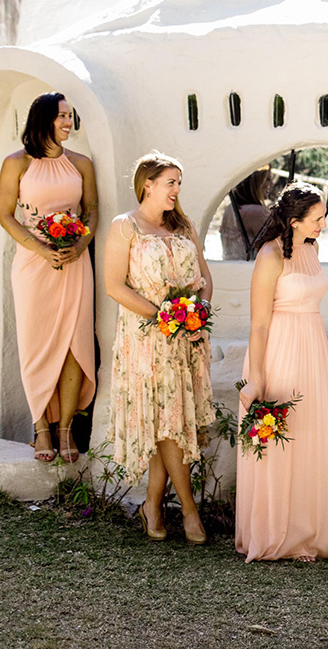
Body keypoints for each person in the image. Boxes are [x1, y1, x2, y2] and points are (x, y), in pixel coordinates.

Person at [236, 183, 328, 562]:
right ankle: (278, 534)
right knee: (283, 440)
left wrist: (327, 363)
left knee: (313, 437)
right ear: (294, 221)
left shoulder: (311, 249)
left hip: (312, 349)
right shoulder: (270, 255)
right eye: (316, 218)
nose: (323, 224)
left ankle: (311, 532)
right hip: (280, 350)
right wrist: (256, 378)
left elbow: (313, 309)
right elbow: (258, 325)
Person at [104, 153, 213, 544]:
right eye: (171, 182)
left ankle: (152, 506)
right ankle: (188, 510)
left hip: (186, 341)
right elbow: (114, 286)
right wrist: (165, 317)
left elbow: (204, 279)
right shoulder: (125, 226)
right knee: (166, 424)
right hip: (145, 340)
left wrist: (197, 315)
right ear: (147, 184)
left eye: (179, 183)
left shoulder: (184, 226)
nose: (177, 190)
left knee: (171, 423)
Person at [0, 92, 98, 463]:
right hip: (33, 264)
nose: (69, 122)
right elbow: (5, 215)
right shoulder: (16, 163)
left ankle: (66, 428)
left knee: (75, 343)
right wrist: (40, 248)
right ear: (43, 119)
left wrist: (81, 244)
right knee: (35, 343)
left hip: (75, 263)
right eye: (62, 116)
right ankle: (40, 427)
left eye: (70, 116)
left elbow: (91, 210)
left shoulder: (82, 163)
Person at [219, 168, 271, 261]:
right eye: (267, 179)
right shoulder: (257, 212)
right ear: (256, 182)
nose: (271, 184)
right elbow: (274, 246)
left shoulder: (231, 208)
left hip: (229, 265)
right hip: (249, 267)